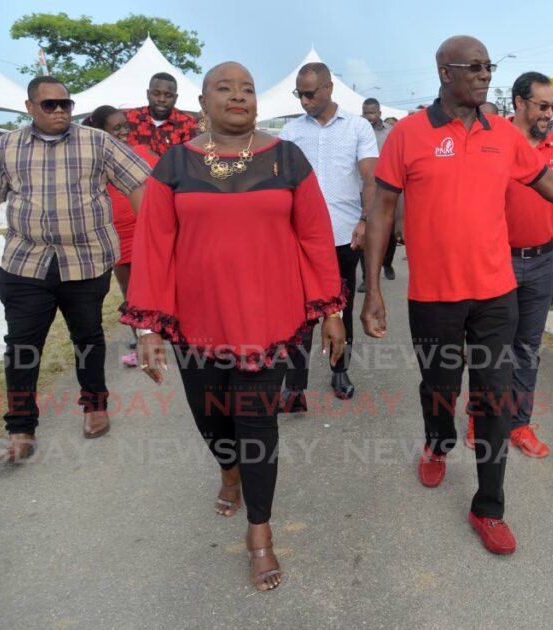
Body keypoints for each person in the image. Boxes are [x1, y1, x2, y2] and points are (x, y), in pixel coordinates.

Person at [361, 35, 553, 554]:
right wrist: (372, 289)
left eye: (489, 66)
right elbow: (383, 212)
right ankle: (437, 442)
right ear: (444, 73)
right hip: (433, 296)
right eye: (474, 67)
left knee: (495, 398)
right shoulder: (408, 134)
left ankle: (489, 506)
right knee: (439, 388)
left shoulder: (503, 134)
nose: (484, 75)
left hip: (495, 294)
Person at [122, 62, 346, 590]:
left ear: (258, 103)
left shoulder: (286, 159)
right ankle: (228, 472)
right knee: (210, 419)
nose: (238, 95)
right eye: (224, 88)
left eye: (247, 87)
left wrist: (331, 312)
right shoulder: (174, 163)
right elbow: (154, 245)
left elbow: (315, 239)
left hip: (269, 320)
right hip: (197, 321)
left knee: (257, 426)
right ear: (202, 101)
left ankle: (260, 532)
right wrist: (148, 327)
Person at [0, 76, 150, 462]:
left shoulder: (98, 142)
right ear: (30, 107)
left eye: (65, 104)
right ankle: (20, 428)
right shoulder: (4, 148)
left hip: (85, 260)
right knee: (21, 346)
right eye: (49, 105)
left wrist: (152, 242)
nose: (59, 111)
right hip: (26, 263)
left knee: (87, 336)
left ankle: (95, 406)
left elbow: (140, 183)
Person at [463, 71, 553, 458]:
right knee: (491, 348)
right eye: (542, 106)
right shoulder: (493, 141)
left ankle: (519, 424)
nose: (550, 113)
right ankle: (478, 416)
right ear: (519, 103)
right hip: (497, 262)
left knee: (528, 348)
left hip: (542, 262)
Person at [279, 62, 378, 403]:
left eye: (309, 93)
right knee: (296, 311)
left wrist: (365, 220)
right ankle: (294, 386)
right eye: (299, 94)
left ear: (328, 88)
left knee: (341, 308)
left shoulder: (357, 127)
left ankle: (340, 371)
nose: (304, 101)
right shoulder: (291, 133)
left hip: (343, 235)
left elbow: (370, 178)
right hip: (299, 238)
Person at [82, 105, 160, 368]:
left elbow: (165, 180)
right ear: (101, 132)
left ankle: (163, 333)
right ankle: (141, 346)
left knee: (156, 285)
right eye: (116, 128)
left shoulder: (141, 153)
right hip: (117, 233)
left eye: (125, 125)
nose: (124, 131)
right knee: (130, 293)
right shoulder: (92, 158)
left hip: (145, 229)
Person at [360, 97, 398, 284]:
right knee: (364, 231)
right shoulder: (357, 131)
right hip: (363, 189)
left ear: (379, 113)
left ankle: (387, 262)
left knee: (388, 233)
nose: (369, 116)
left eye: (372, 112)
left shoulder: (390, 133)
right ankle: (367, 278)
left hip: (385, 189)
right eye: (365, 112)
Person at [125, 72, 199, 156]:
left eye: (168, 95)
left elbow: (189, 159)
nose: (162, 99)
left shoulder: (187, 123)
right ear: (148, 94)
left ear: (175, 98)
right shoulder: (130, 117)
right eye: (156, 94)